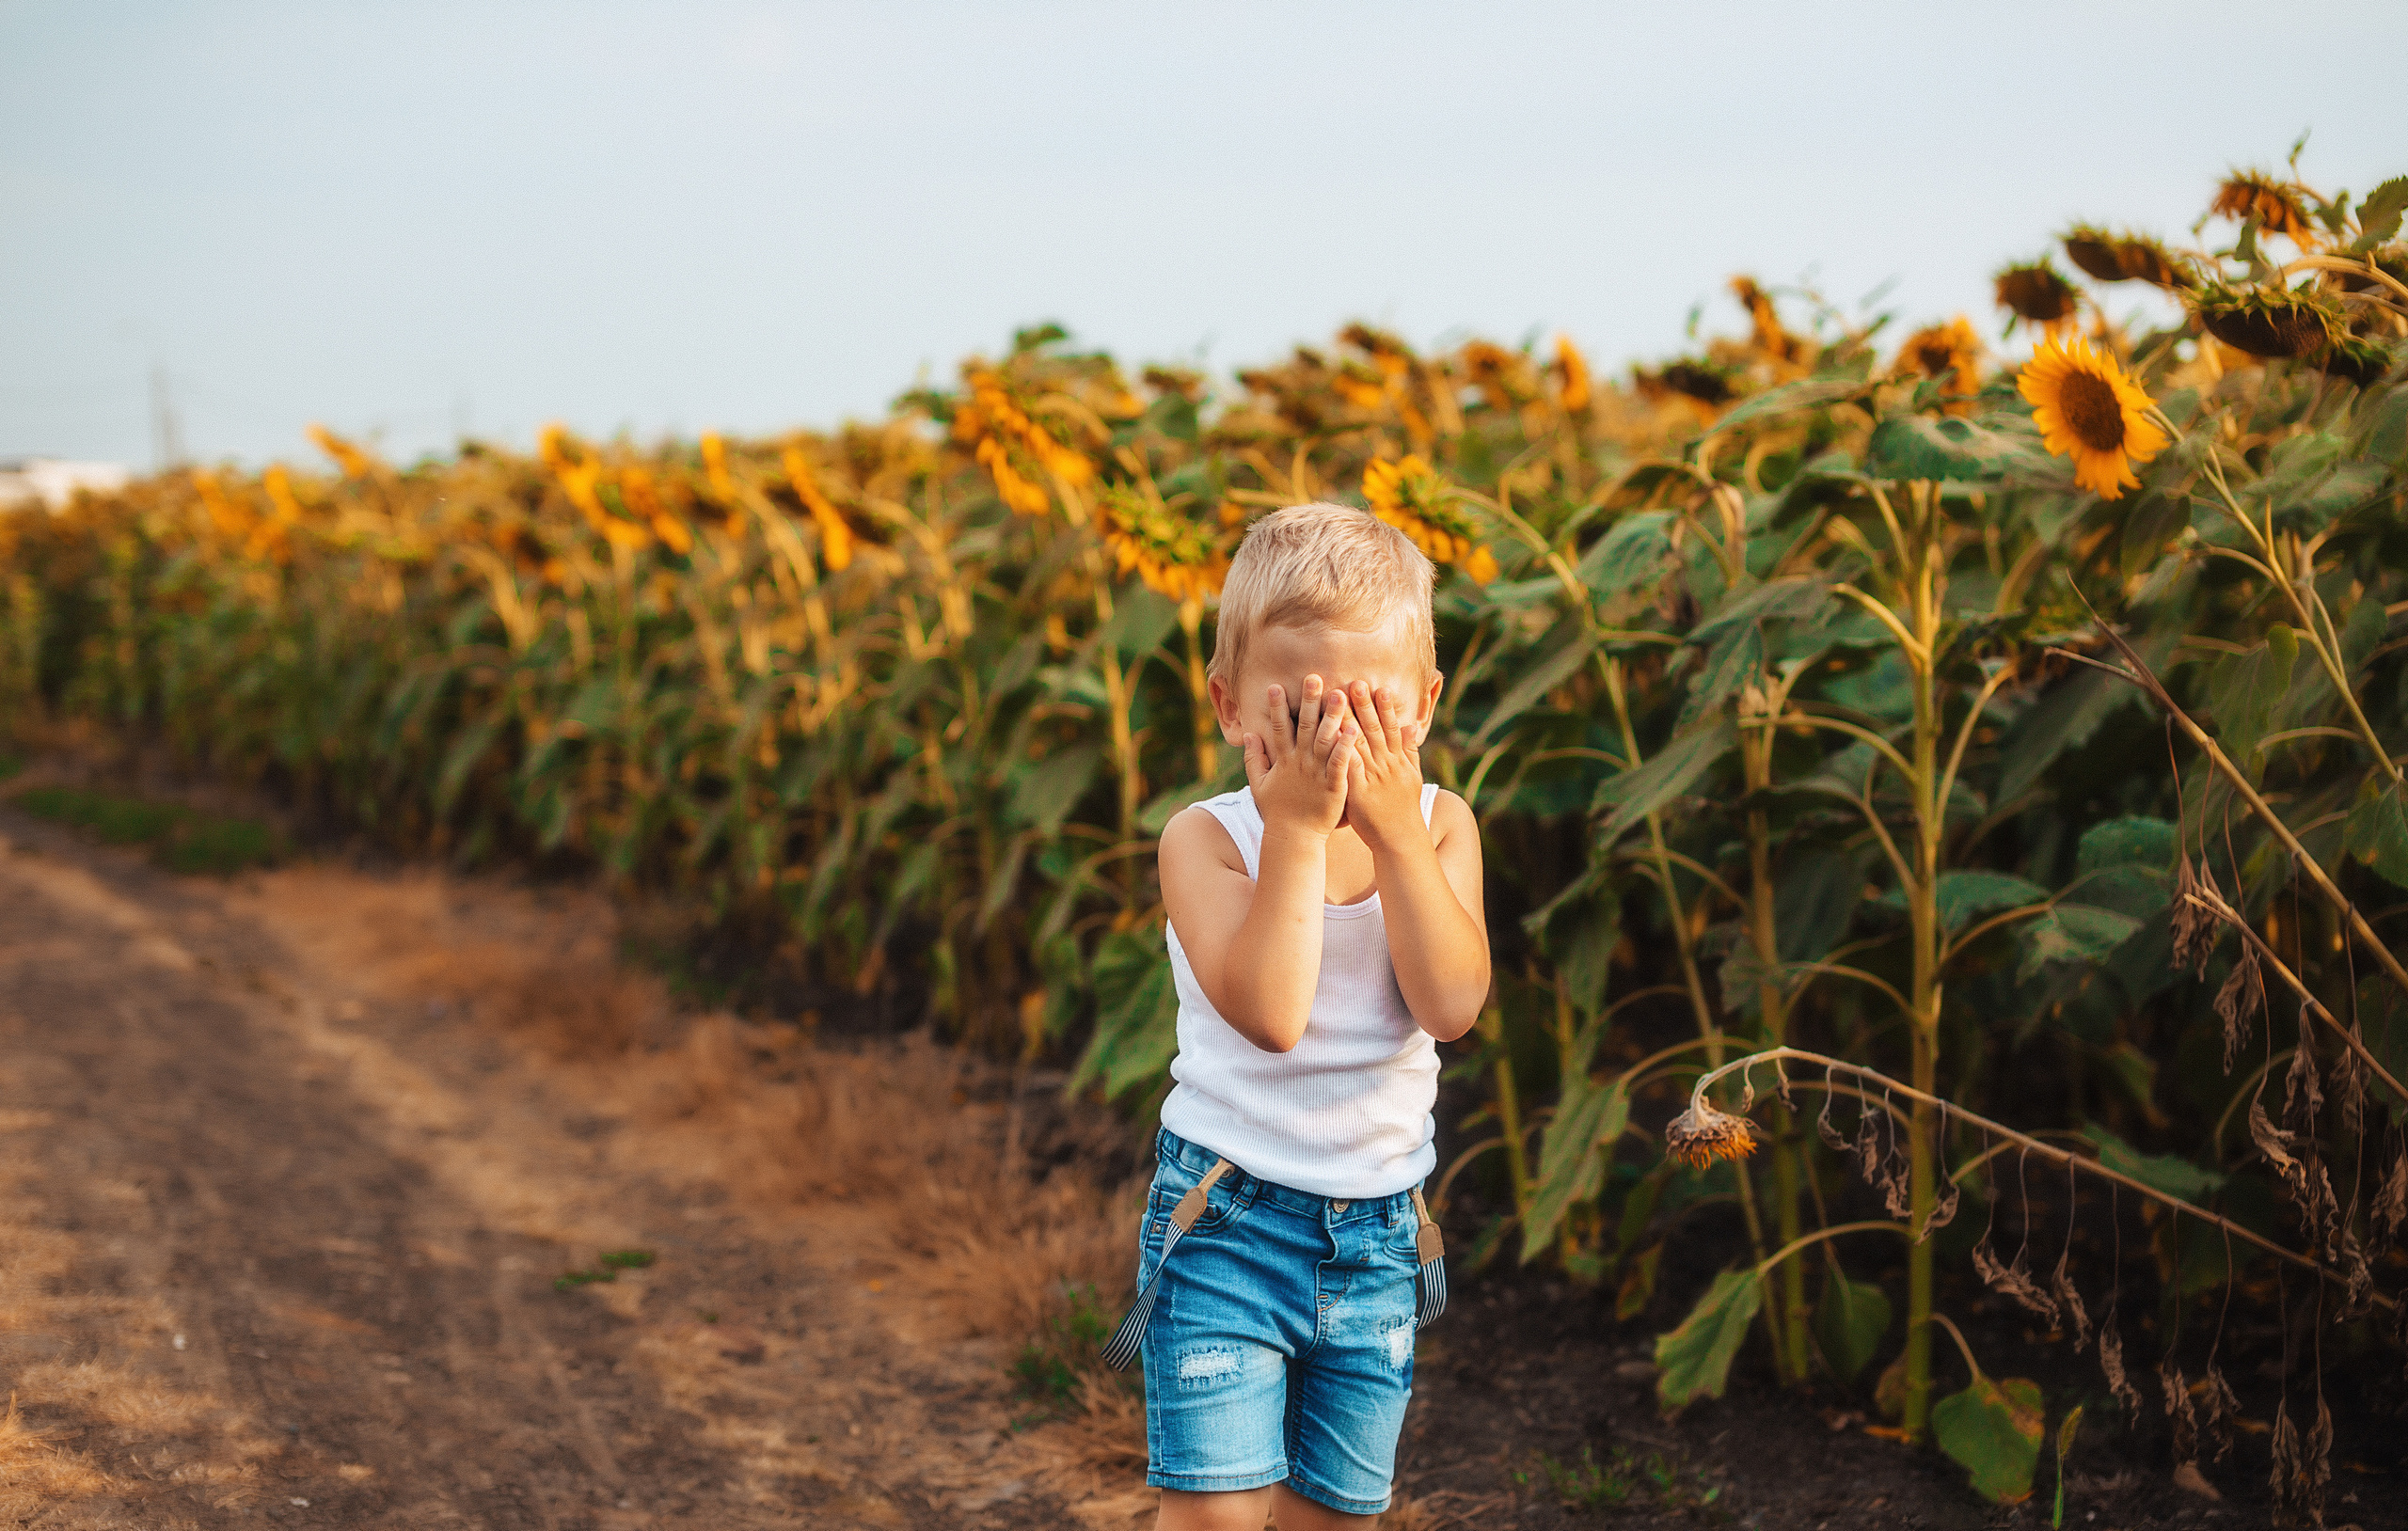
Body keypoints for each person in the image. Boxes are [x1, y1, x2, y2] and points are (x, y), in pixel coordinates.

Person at [1142, 501, 1490, 1528]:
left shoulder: (1439, 826)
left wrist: (1395, 840)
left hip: (1379, 1231)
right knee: (1216, 1511)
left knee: (1332, 1515)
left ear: (1422, 708)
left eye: (1369, 715)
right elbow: (1272, 1013)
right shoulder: (1206, 840)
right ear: (1230, 705)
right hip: (1227, 1216)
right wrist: (1294, 829)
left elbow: (1452, 1002)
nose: (1336, 743)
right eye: (1301, 715)